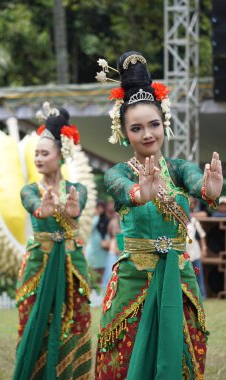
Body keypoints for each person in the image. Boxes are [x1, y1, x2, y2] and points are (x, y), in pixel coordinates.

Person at [95, 51, 223, 379]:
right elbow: (122, 189)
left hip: (178, 277)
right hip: (132, 279)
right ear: (124, 133)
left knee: (182, 358)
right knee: (124, 360)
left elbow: (197, 183)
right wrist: (140, 194)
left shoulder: (179, 169)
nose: (147, 134)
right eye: (136, 128)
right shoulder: (118, 172)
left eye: (153, 124)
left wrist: (210, 190)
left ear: (163, 123)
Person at [13, 103, 92, 379]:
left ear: (61, 155)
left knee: (75, 323)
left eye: (44, 153)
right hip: (39, 265)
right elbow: (34, 204)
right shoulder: (29, 190)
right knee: (34, 324)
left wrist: (71, 210)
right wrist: (43, 210)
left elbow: (77, 205)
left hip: (72, 266)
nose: (38, 158)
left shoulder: (76, 189)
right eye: (36, 153)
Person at [186, 197, 207, 299]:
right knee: (186, 275)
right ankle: (188, 295)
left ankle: (202, 295)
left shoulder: (194, 221)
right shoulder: (179, 222)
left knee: (198, 273)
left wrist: (204, 249)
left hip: (195, 253)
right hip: (184, 253)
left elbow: (202, 235)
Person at [85, 200, 109, 284]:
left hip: (104, 255)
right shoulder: (93, 219)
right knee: (91, 278)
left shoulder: (108, 220)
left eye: (101, 208)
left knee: (101, 280)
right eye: (98, 208)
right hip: (93, 254)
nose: (99, 210)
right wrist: (97, 215)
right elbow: (89, 229)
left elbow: (114, 233)